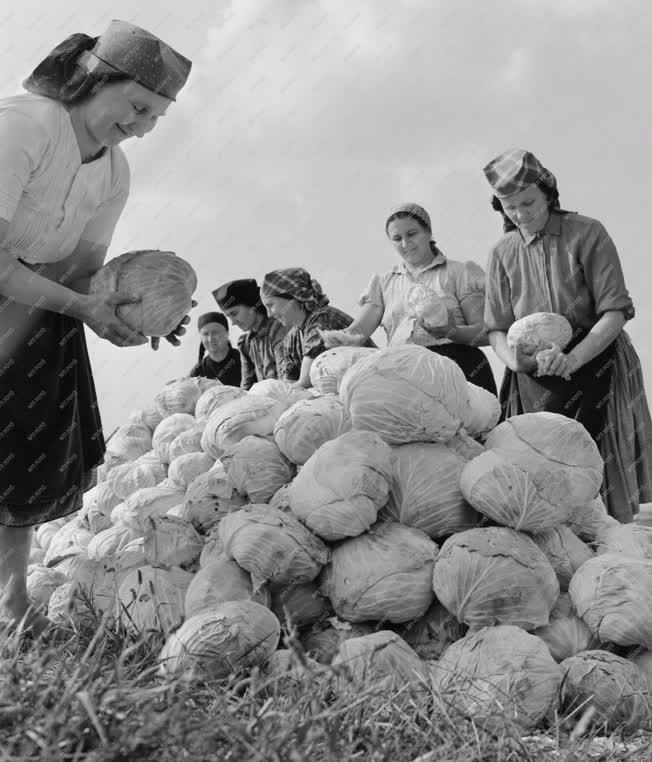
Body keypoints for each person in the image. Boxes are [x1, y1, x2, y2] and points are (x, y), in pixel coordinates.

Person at [0, 20, 193, 634]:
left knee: (19, 462)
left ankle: (11, 606)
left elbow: (83, 271)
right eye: (137, 106)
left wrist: (132, 311)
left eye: (155, 117)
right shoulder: (23, 126)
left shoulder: (113, 172)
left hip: (38, 313)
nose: (141, 127)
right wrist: (84, 309)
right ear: (94, 78)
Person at [483, 147, 652, 523]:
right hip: (530, 369)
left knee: (595, 474)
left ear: (547, 192)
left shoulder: (587, 232)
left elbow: (614, 311)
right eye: (511, 207)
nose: (522, 214)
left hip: (596, 355)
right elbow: (495, 327)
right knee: (538, 469)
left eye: (529, 202)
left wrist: (571, 358)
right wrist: (516, 360)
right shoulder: (502, 252)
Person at [323, 203, 497, 394]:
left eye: (412, 234)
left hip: (459, 367)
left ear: (428, 232)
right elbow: (357, 332)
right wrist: (337, 339)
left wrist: (451, 331)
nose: (405, 244)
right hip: (403, 373)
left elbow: (485, 332)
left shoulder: (460, 273)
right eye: (397, 238)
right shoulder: (383, 283)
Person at [260, 267, 375, 388]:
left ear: (293, 298)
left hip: (372, 388)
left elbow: (305, 383)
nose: (269, 314)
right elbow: (288, 383)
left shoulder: (323, 319)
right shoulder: (291, 338)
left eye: (270, 305)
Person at [213, 278, 289, 390]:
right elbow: (246, 387)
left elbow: (286, 381)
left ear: (252, 305)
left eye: (234, 313)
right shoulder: (245, 343)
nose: (233, 322)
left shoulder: (278, 329)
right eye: (228, 317)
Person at [189, 312, 241, 386]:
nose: (210, 339)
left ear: (227, 333)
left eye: (215, 332)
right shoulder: (198, 372)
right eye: (205, 334)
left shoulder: (245, 359)